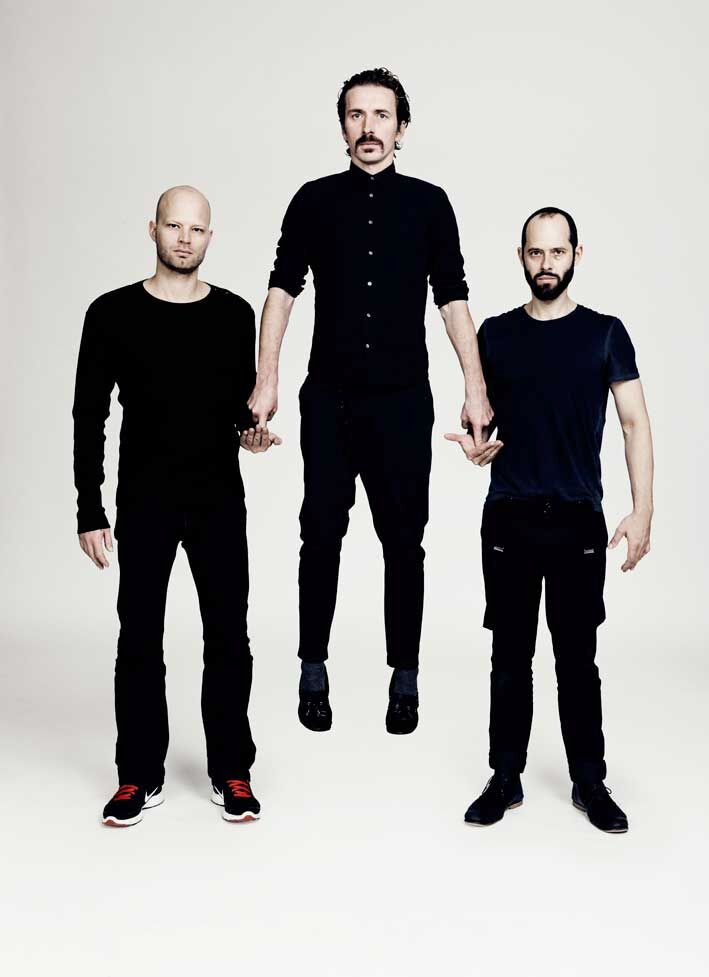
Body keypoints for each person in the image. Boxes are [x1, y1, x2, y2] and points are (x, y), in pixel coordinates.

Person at [249, 67, 491, 734]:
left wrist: (474, 389)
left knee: (404, 542)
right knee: (319, 534)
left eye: (381, 115)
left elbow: (452, 297)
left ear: (401, 128)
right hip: (329, 398)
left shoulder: (429, 204)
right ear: (342, 128)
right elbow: (281, 289)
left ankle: (404, 677)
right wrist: (266, 378)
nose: (368, 127)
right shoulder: (313, 200)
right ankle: (312, 669)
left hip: (402, 401)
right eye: (356, 115)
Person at [73, 185, 280, 826]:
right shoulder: (111, 313)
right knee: (139, 638)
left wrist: (251, 435)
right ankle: (137, 775)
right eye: (174, 226)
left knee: (229, 638)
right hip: (144, 501)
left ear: (210, 237)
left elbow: (236, 410)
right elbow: (89, 415)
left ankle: (232, 771)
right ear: (153, 229)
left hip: (217, 499)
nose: (185, 238)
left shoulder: (234, 314)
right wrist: (89, 508)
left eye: (196, 229)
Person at [446, 206, 653, 833]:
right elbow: (478, 417)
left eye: (557, 252)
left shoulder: (605, 333)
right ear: (520, 257)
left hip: (577, 520)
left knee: (577, 659)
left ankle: (589, 781)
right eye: (535, 252)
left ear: (576, 255)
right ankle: (505, 777)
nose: (546, 264)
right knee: (509, 656)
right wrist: (476, 443)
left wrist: (643, 509)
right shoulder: (496, 335)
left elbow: (635, 423)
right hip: (509, 517)